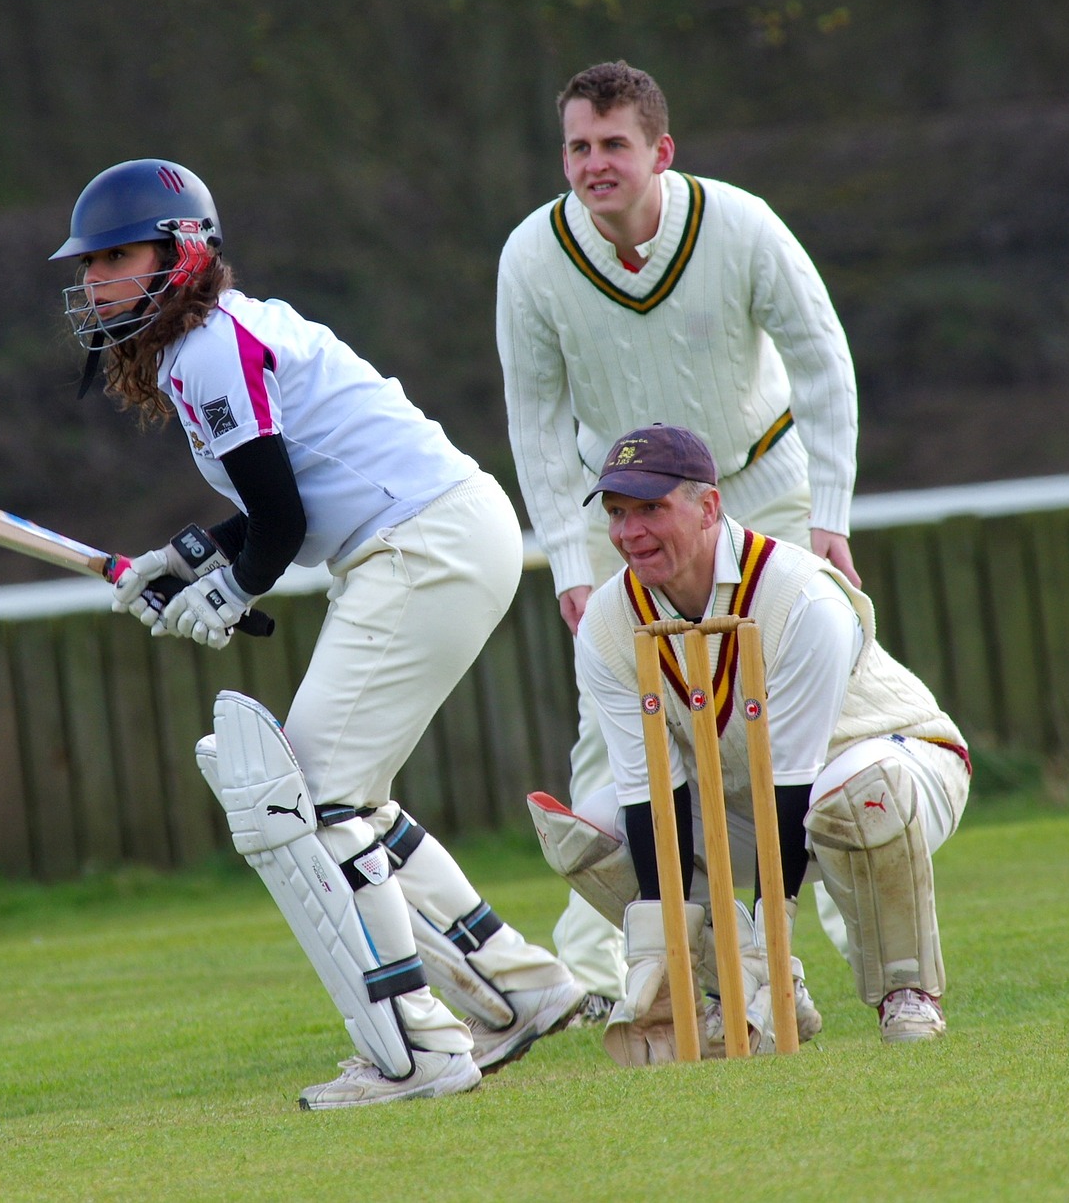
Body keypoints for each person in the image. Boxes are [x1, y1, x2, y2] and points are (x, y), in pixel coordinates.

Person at [51, 159, 585, 1110]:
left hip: (424, 542)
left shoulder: (212, 344)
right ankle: (518, 991)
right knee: (350, 799)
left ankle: (419, 1047)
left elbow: (281, 526)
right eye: (89, 265)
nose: (95, 283)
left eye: (116, 259)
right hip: (435, 535)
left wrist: (224, 592)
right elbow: (269, 509)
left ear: (182, 254)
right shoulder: (208, 341)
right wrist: (186, 559)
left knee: (316, 800)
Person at [497, 60, 862, 1013]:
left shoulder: (739, 225)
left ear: (660, 150)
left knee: (827, 716)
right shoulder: (531, 256)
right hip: (619, 506)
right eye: (578, 146)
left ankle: (868, 955)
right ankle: (622, 974)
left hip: (758, 482)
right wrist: (571, 561)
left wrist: (828, 516)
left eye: (614, 145)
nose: (594, 164)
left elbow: (823, 360)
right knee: (611, 725)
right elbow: (535, 420)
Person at [535, 424, 965, 1062]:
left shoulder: (799, 595)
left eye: (651, 509)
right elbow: (653, 793)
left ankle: (906, 991)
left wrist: (772, 941)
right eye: (617, 514)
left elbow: (790, 785)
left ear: (708, 507)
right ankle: (730, 990)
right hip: (747, 799)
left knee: (851, 790)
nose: (629, 533)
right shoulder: (607, 621)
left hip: (900, 767)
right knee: (588, 831)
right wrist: (662, 950)